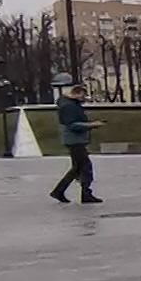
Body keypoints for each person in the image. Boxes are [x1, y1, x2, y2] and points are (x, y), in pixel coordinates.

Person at [49, 76, 103, 204]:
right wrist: (91, 125)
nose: (84, 98)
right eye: (83, 95)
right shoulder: (69, 106)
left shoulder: (69, 104)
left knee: (77, 168)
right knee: (84, 167)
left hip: (73, 140)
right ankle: (83, 194)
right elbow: (72, 125)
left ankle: (60, 191)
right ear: (77, 93)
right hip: (75, 140)